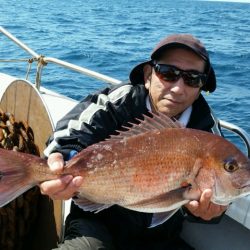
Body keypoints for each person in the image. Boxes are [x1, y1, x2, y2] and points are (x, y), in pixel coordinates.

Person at [40, 34, 227, 250]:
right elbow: (73, 134)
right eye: (168, 73)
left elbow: (220, 184)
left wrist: (212, 211)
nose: (178, 88)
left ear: (201, 87)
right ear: (148, 76)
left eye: (192, 78)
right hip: (98, 221)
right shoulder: (121, 100)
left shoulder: (206, 128)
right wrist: (64, 161)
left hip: (160, 236)